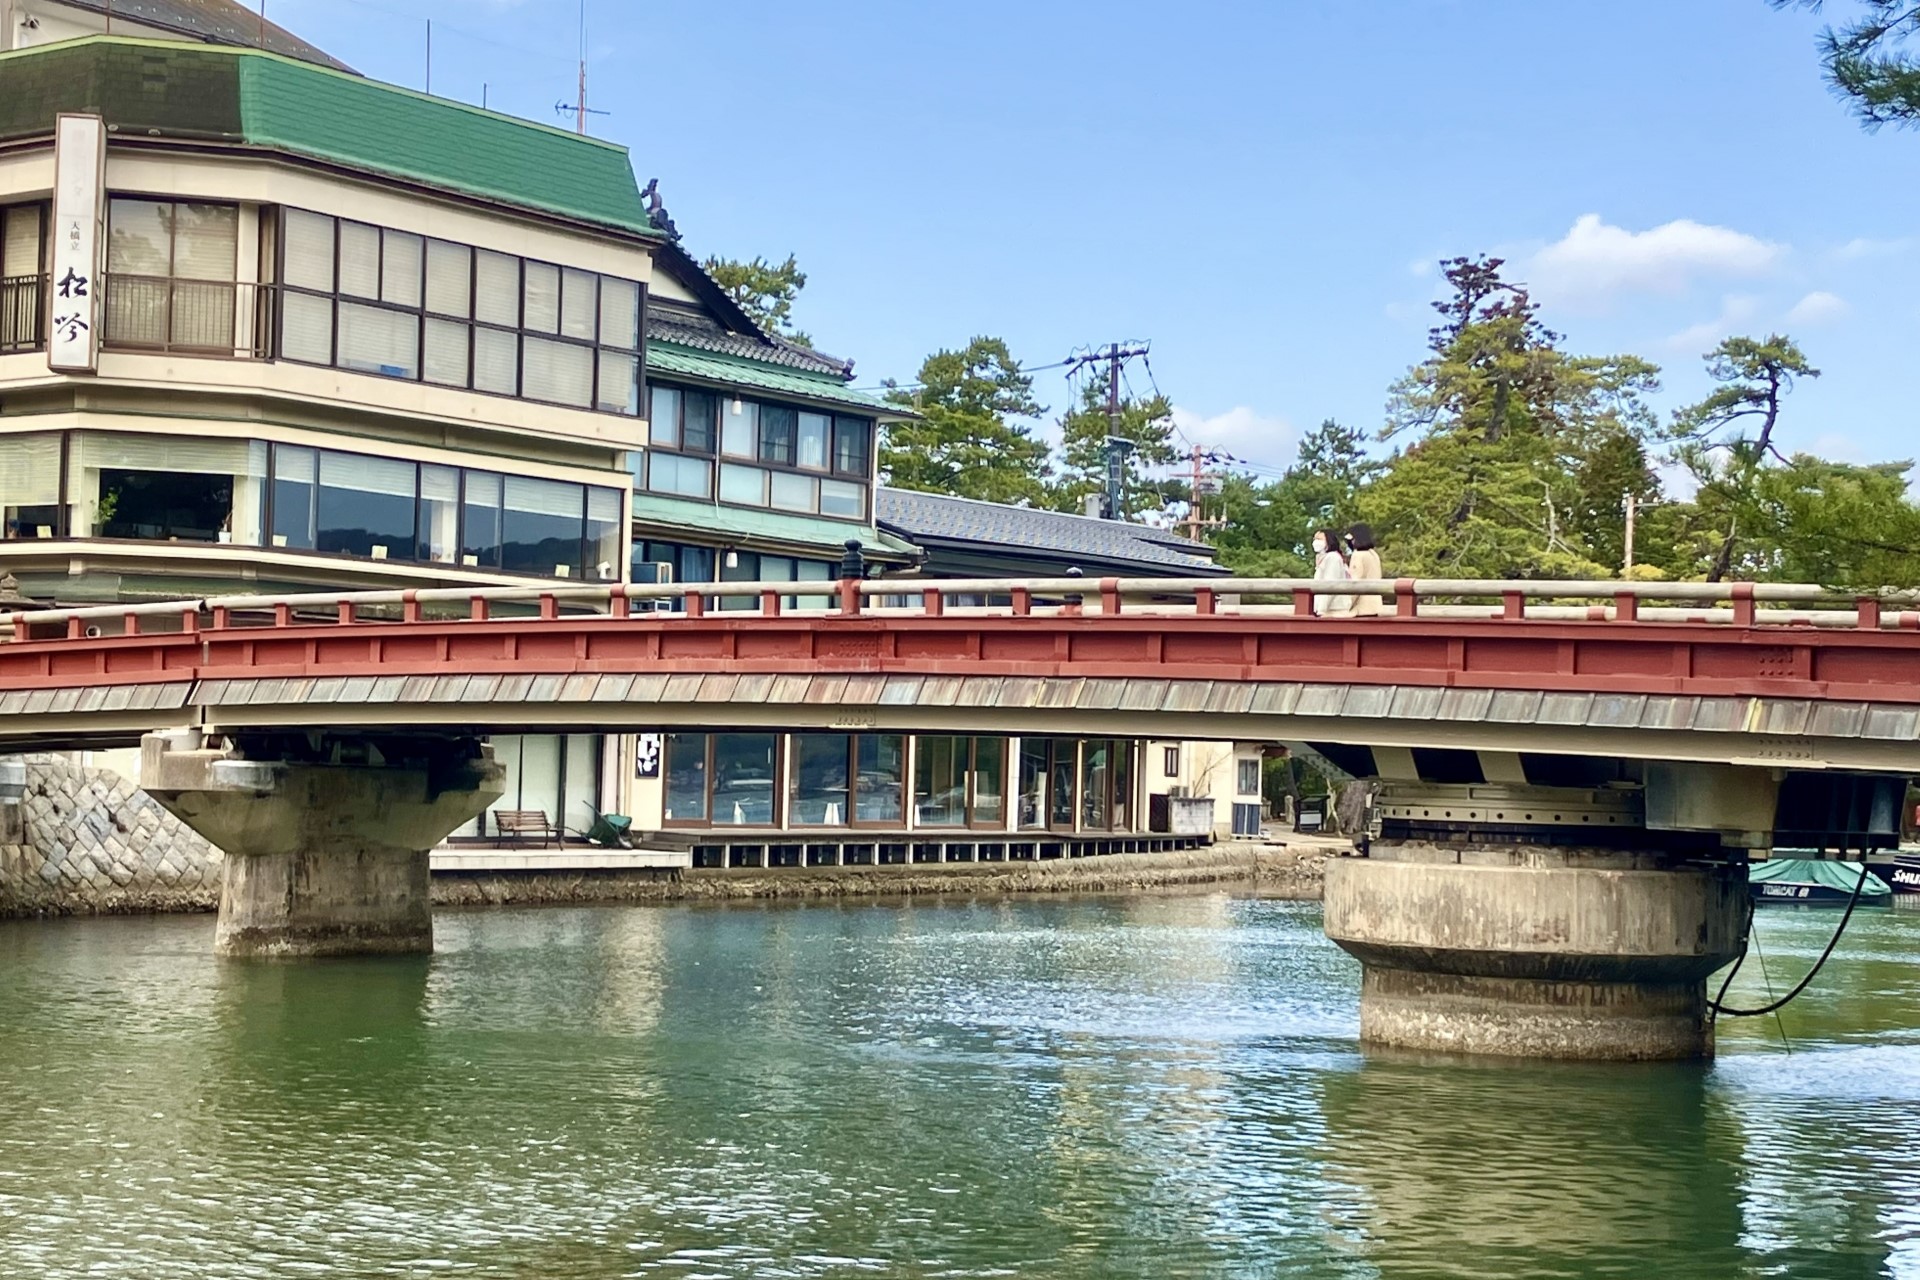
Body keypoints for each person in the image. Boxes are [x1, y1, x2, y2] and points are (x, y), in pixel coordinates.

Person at [1311, 527, 1352, 615]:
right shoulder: (1325, 558)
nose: (1315, 542)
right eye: (1314, 539)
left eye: (1319, 539)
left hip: (1333, 609)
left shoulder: (1332, 557)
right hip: (1328, 608)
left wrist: (1321, 610)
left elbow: (1330, 584)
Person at [1345, 523, 1383, 616]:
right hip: (1375, 604)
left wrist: (1347, 604)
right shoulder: (1373, 554)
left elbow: (1355, 582)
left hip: (1362, 606)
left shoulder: (1358, 555)